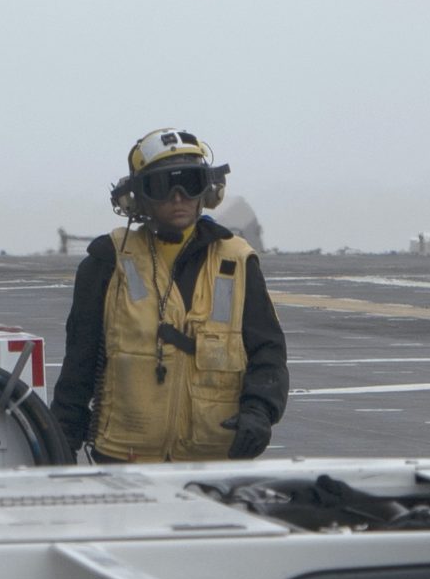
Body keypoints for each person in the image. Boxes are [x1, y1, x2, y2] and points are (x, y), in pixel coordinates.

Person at [50, 127, 288, 463]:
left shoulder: (236, 262)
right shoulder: (108, 262)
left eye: (189, 183)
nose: (178, 197)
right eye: (163, 186)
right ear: (138, 197)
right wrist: (59, 443)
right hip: (125, 461)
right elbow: (79, 366)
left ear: (207, 190)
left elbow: (268, 351)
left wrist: (259, 411)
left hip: (213, 461)